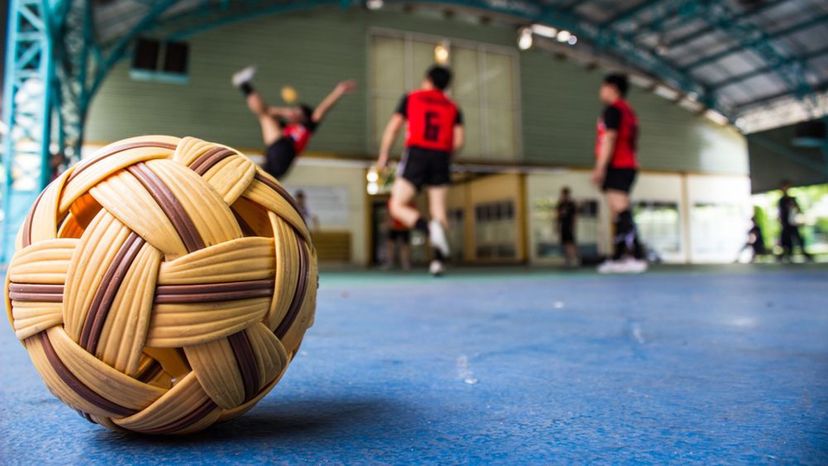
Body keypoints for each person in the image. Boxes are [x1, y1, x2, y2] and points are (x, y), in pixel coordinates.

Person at [376, 65, 464, 276]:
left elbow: (394, 127)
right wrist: (445, 157)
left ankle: (427, 229)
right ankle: (438, 262)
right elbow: (459, 141)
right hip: (441, 156)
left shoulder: (411, 98)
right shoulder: (453, 107)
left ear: (428, 79)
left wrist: (384, 155)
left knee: (396, 205)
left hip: (417, 154)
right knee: (439, 211)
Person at [232, 66, 356, 179]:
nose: (294, 113)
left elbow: (322, 109)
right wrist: (285, 111)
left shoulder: (307, 126)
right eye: (294, 110)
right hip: (273, 154)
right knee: (264, 115)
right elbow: (266, 111)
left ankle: (244, 85)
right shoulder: (284, 127)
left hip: (285, 152)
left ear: (305, 117)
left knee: (264, 116)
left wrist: (338, 92)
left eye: (298, 112)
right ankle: (244, 85)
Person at [591, 73, 646, 274]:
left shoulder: (613, 110)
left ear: (612, 88)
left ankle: (633, 255)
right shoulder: (629, 112)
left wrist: (600, 167)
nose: (601, 91)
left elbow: (609, 139)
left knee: (621, 209)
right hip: (628, 165)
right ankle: (623, 255)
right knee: (618, 211)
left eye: (603, 87)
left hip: (618, 165)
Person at [777, 181, 812, 262]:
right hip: (785, 223)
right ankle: (787, 253)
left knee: (797, 237)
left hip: (792, 222)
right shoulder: (782, 200)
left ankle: (803, 252)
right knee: (785, 239)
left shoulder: (792, 199)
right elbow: (780, 213)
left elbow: (798, 209)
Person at [384, 200, 413, 271]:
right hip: (393, 227)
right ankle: (389, 262)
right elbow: (388, 213)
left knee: (405, 246)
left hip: (404, 227)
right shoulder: (391, 201)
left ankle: (405, 263)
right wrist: (388, 223)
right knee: (390, 245)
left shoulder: (409, 202)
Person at [556, 187, 578, 267]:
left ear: (568, 194)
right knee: (565, 243)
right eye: (563, 194)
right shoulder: (560, 204)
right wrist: (557, 226)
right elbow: (558, 216)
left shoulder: (571, 204)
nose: (564, 196)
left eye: (565, 194)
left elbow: (574, 217)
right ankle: (567, 259)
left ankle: (574, 258)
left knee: (571, 243)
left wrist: (573, 226)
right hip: (563, 226)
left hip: (569, 226)